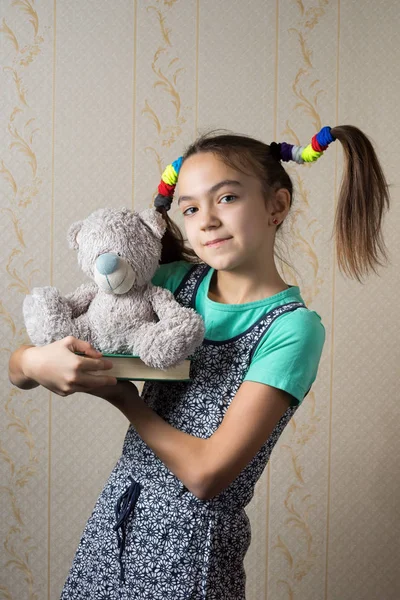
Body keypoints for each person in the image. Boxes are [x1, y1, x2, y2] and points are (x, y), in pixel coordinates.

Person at [8, 125, 389, 599]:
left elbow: (208, 474)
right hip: (114, 529)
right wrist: (35, 361)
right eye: (189, 208)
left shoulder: (291, 329)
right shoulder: (168, 284)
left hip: (191, 556)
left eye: (226, 198)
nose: (205, 219)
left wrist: (124, 399)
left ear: (277, 205)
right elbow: (20, 365)